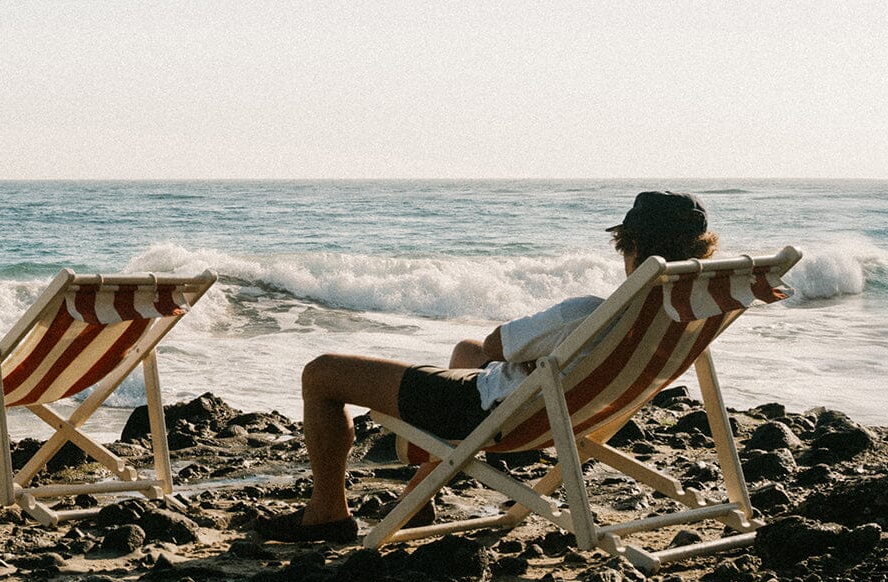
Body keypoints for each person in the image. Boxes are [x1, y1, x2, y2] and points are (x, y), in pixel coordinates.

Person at [261, 191, 722, 543]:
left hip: (491, 411)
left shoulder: (589, 314)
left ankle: (326, 513)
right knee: (465, 352)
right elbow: (483, 352)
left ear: (632, 245)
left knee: (322, 373)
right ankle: (418, 496)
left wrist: (532, 342)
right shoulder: (679, 318)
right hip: (572, 414)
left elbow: (496, 343)